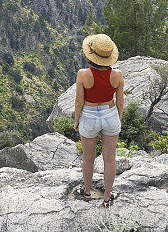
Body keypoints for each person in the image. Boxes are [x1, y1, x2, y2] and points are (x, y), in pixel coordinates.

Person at [73, 33, 124, 207]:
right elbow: (120, 102)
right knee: (109, 159)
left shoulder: (82, 74)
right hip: (110, 115)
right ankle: (108, 197)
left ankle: (87, 192)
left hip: (88, 115)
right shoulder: (117, 75)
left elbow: (79, 102)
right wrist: (118, 120)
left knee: (88, 157)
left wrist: (76, 120)